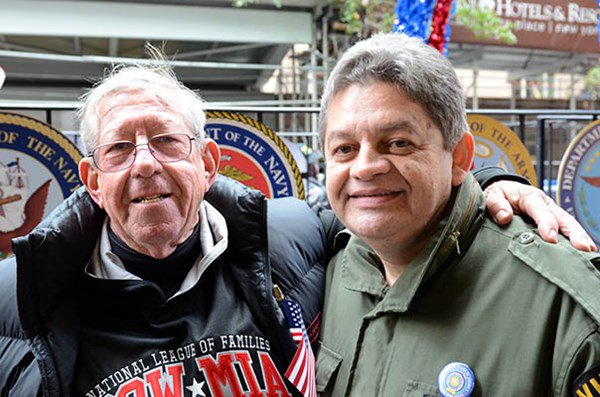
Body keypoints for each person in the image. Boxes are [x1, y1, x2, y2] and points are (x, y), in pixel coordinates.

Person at [0, 54, 592, 397]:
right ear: (91, 178)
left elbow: (388, 200)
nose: (146, 162)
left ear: (208, 164)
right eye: (120, 148)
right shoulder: (17, 303)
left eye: (166, 141)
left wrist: (488, 186)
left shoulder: (286, 240)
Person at [316, 32, 600, 397]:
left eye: (398, 143)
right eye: (344, 149)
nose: (365, 167)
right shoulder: (327, 268)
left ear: (460, 157)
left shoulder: (565, 308)